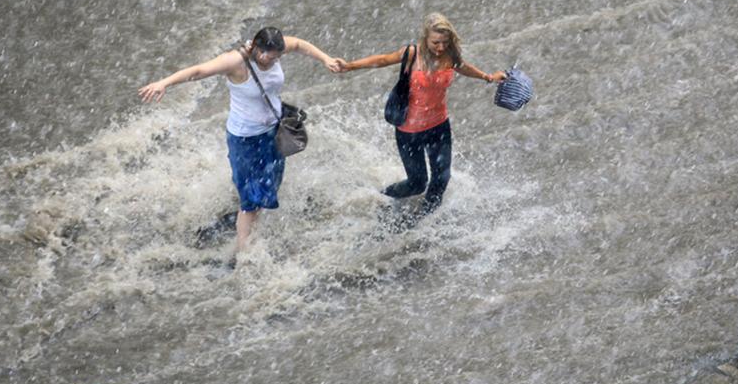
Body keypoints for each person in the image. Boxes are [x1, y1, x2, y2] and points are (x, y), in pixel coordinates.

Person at [139, 27, 340, 255]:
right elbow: (198, 70)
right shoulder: (235, 62)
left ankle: (248, 220)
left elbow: (301, 44)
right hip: (245, 138)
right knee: (250, 201)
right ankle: (244, 253)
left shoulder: (277, 48)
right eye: (269, 57)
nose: (273, 62)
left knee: (270, 186)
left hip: (273, 131)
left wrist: (325, 59)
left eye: (277, 58)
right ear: (255, 47)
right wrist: (164, 83)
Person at [334, 13, 506, 220]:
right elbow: (381, 60)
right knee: (417, 183)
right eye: (435, 43)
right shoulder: (411, 54)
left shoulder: (450, 56)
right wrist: (350, 66)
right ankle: (380, 199)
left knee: (441, 179)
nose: (440, 47)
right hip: (409, 131)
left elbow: (463, 67)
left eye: (444, 42)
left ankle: (423, 221)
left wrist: (488, 77)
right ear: (425, 38)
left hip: (439, 127)